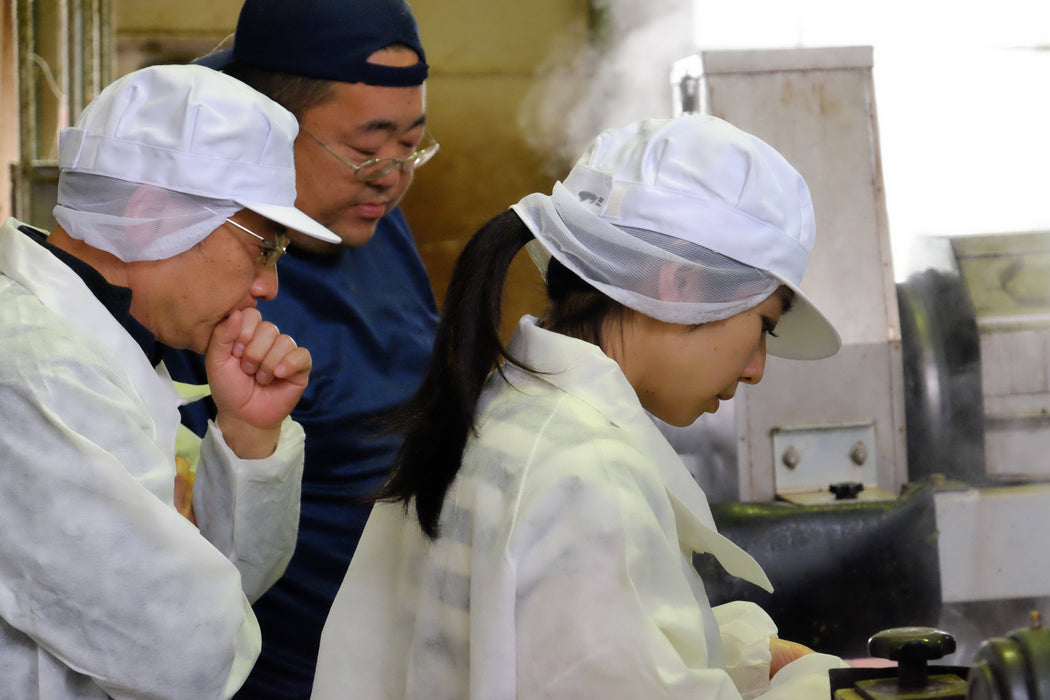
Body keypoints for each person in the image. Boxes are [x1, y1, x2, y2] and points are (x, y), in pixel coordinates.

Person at [311, 114, 851, 699]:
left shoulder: (506, 410)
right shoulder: (587, 476)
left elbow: (542, 644)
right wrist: (822, 684)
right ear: (681, 285)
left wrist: (743, 657)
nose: (756, 369)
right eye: (764, 325)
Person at [0, 63, 340, 698]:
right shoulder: (32, 371)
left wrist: (248, 434)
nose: (268, 285)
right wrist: (209, 608)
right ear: (151, 216)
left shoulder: (107, 338)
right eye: (263, 247)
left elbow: (228, 587)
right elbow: (185, 650)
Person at [162, 0, 440, 696]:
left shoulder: (365, 213)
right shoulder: (200, 277)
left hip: (405, 648)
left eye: (412, 145)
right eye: (367, 148)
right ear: (268, 125)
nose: (391, 174)